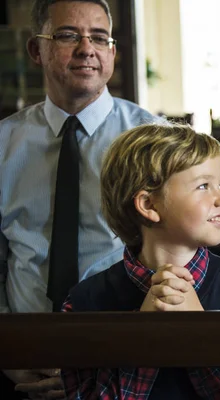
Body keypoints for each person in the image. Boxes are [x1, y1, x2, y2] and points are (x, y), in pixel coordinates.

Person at [0, 0, 156, 398]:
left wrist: (126, 357)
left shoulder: (153, 139)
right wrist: (9, 353)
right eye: (68, 35)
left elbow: (177, 252)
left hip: (125, 351)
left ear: (112, 53)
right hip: (20, 347)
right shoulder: (3, 142)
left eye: (99, 37)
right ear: (38, 50)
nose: (87, 48)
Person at [60, 123, 220, 399]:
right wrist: (145, 335)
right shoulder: (83, 303)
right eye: (203, 186)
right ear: (149, 205)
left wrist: (199, 332)